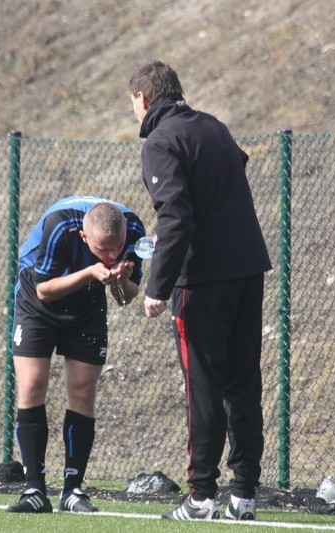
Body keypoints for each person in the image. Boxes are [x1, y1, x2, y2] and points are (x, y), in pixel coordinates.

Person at [128, 61, 272, 521]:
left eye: (132, 102)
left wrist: (157, 286)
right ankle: (244, 495)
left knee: (203, 385)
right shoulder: (214, 126)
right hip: (248, 267)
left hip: (203, 278)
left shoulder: (160, 141)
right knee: (243, 379)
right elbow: (228, 178)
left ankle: (201, 497)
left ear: (145, 100)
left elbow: (177, 217)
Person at [6, 196, 145, 514]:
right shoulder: (61, 226)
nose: (112, 255)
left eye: (117, 248)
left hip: (87, 301)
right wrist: (91, 272)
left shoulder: (133, 228)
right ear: (84, 237)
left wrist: (120, 278)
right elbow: (44, 289)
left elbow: (126, 298)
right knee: (32, 385)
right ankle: (34, 491)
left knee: (83, 390)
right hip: (38, 298)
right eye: (103, 249)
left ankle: (73, 491)